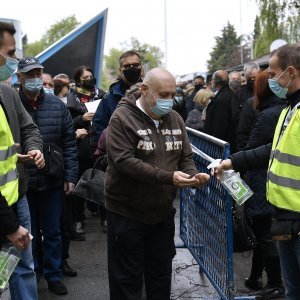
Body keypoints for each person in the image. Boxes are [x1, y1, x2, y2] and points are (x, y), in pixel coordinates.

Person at [105, 67, 210, 300]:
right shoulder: (122, 118)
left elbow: (184, 157)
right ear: (145, 90)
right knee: (127, 281)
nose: (169, 101)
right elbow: (124, 161)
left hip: (161, 215)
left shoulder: (175, 118)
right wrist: (168, 177)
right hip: (126, 213)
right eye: (163, 95)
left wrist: (194, 177)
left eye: (173, 94)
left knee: (160, 277)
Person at [214, 44, 300, 300]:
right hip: (284, 215)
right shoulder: (289, 109)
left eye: (273, 74)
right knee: (293, 289)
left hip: (297, 217)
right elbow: (270, 150)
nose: (270, 80)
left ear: (291, 72)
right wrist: (231, 163)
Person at [17, 57, 78, 296]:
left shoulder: (56, 105)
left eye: (38, 74)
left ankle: (54, 275)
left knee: (52, 231)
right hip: (24, 183)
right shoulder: (13, 104)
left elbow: (69, 143)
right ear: (20, 78)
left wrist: (70, 176)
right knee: (28, 234)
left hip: (52, 180)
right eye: (29, 75)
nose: (34, 79)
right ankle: (34, 272)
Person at [0, 21, 45, 300]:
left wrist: (34, 148)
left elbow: (28, 129)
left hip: (17, 196)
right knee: (2, 273)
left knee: (22, 266)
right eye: (11, 52)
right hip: (3, 208)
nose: (14, 61)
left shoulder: (7, 93)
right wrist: (9, 225)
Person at [241, 71, 285, 297]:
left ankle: (276, 283)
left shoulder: (268, 114)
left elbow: (252, 151)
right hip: (273, 181)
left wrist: (233, 164)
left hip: (262, 182)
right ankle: (258, 277)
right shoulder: (282, 110)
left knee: (265, 233)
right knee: (266, 233)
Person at [66, 65, 105, 238]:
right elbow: (66, 124)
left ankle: (105, 218)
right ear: (77, 80)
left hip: (99, 147)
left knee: (103, 183)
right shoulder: (71, 99)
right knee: (79, 187)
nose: (89, 79)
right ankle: (78, 219)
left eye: (91, 76)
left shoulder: (102, 95)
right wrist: (81, 119)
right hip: (80, 148)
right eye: (85, 77)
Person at [92, 50, 143, 145]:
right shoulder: (109, 97)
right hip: (117, 151)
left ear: (141, 67)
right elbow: (98, 129)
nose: (132, 68)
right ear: (120, 70)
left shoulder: (151, 93)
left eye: (135, 65)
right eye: (127, 66)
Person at [203, 70, 235, 151]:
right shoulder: (230, 94)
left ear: (214, 82)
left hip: (219, 146)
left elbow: (220, 124)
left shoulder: (221, 99)